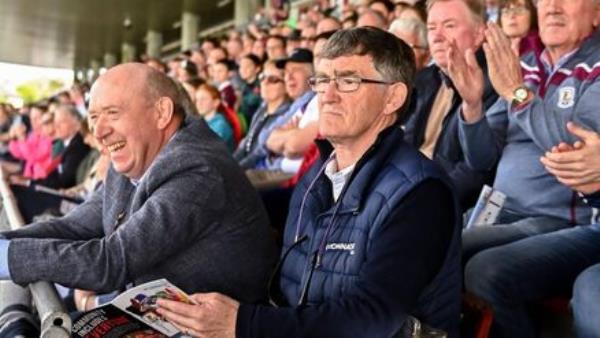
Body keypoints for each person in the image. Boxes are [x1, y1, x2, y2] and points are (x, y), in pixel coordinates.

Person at [157, 27, 461, 338]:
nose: (327, 96)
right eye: (323, 80)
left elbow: (373, 317)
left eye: (348, 81)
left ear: (392, 97)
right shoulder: (317, 177)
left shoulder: (420, 194)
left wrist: (242, 323)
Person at [0, 63, 277, 305]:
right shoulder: (133, 156)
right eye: (94, 117)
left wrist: (10, 258)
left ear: (161, 113)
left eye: (112, 113)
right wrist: (6, 242)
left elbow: (112, 261)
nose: (98, 132)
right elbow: (74, 226)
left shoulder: (197, 171)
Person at [446, 0, 600, 335]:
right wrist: (472, 105)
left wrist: (519, 95)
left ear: (598, 14)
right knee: (431, 244)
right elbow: (482, 159)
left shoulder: (596, 66)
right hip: (499, 208)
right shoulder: (526, 66)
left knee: (480, 268)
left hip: (559, 219)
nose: (553, 7)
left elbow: (577, 152)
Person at [403, 0, 499, 210]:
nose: (437, 36)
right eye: (431, 27)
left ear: (479, 33)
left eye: (449, 26)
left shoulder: (496, 85)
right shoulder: (424, 80)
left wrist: (419, 204)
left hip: (441, 206)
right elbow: (405, 146)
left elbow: (476, 172)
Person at [234, 60, 291, 169]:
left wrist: (235, 170)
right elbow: (245, 144)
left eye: (272, 79)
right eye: (262, 77)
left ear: (286, 86)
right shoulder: (262, 109)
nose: (264, 83)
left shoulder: (287, 114)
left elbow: (260, 154)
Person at [195, 83, 236, 151]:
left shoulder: (220, 125)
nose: (199, 103)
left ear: (216, 102)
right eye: (197, 100)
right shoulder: (201, 122)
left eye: (203, 99)